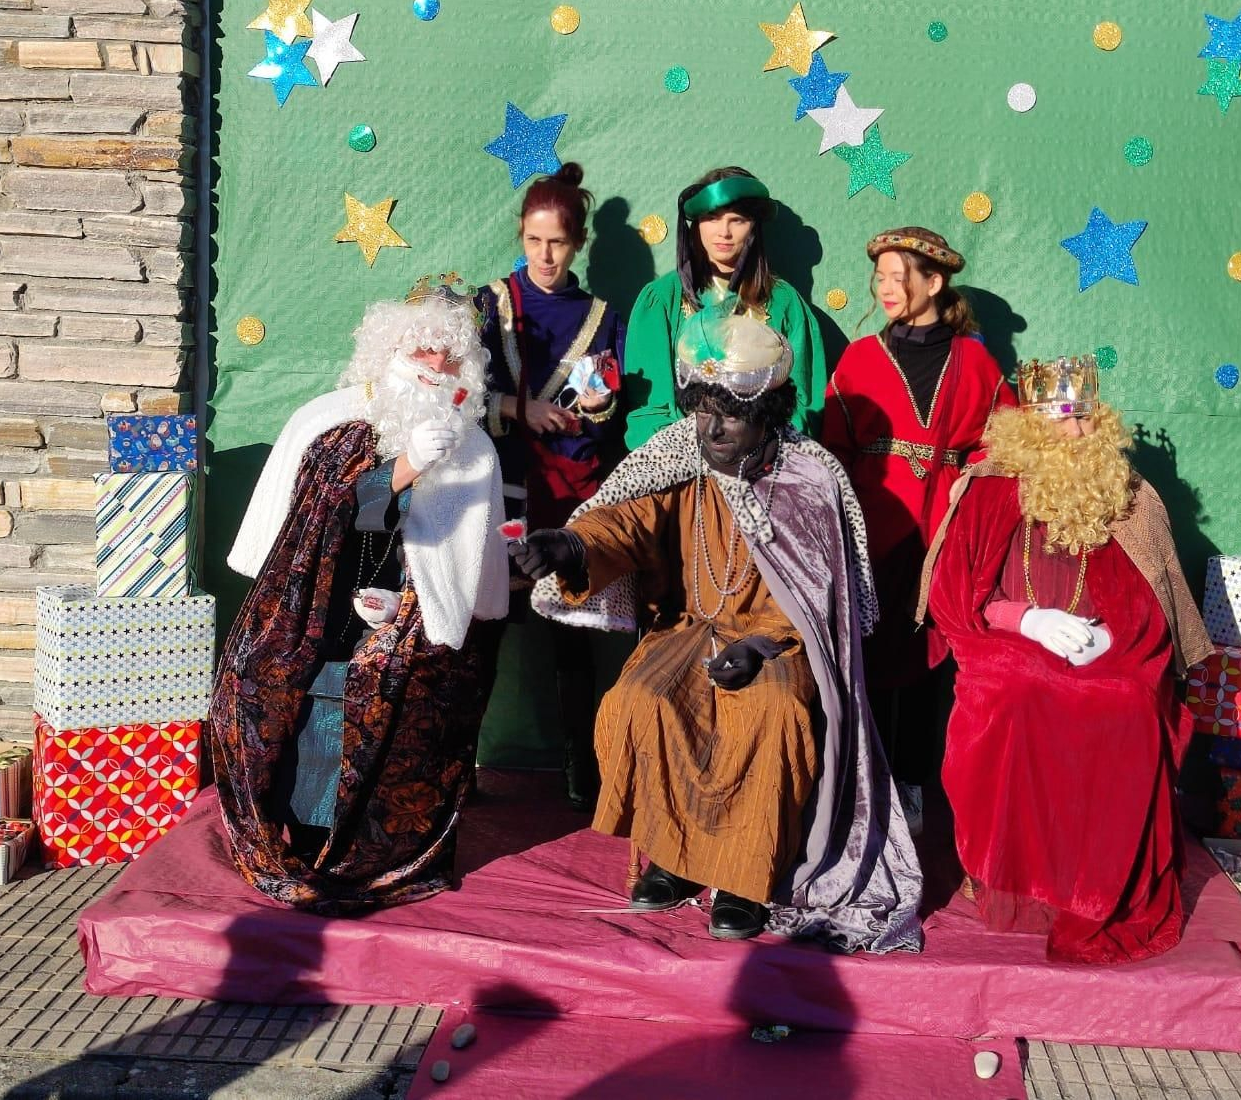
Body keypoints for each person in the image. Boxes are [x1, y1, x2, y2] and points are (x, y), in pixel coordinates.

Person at [517, 313, 922, 952]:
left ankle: (744, 878)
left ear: (770, 413)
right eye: (702, 412)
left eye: (730, 416)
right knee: (642, 699)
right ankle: (676, 859)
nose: (711, 430)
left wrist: (759, 646)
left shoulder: (811, 477)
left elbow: (823, 601)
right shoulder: (680, 459)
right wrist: (571, 545)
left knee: (770, 709)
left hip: (782, 642)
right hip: (689, 627)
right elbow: (628, 522)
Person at [212, 276, 510, 914]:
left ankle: (391, 850)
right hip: (324, 611)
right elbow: (327, 516)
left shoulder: (476, 446)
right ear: (388, 350)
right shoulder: (332, 422)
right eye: (420, 350)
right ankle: (315, 840)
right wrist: (403, 471)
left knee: (425, 679)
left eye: (448, 354)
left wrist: (438, 608)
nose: (434, 365)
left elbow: (471, 568)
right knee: (306, 692)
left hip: (412, 619)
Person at [919, 355, 1213, 964]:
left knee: (1129, 703)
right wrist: (1025, 619)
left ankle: (1092, 890)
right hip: (1006, 646)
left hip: (1105, 651)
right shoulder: (989, 487)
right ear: (1028, 425)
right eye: (1058, 419)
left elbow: (1151, 605)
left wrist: (1111, 636)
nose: (1073, 433)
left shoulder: (1131, 498)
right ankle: (1017, 885)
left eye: (1082, 417)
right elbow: (954, 595)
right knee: (1016, 695)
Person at [821, 227, 1014, 834]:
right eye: (879, 278)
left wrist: (971, 475)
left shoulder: (976, 361)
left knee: (934, 665)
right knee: (871, 660)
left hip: (944, 534)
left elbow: (1001, 440)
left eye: (898, 276)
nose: (886, 288)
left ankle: (914, 786)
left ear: (933, 283)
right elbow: (834, 447)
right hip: (874, 531)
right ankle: (864, 786)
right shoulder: (857, 358)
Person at [472, 163, 625, 809]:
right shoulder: (489, 305)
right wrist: (516, 408)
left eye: (557, 242)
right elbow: (451, 397)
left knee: (572, 639)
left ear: (578, 243)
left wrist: (588, 410)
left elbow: (606, 402)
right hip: (501, 497)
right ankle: (457, 768)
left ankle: (581, 780)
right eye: (533, 240)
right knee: (484, 629)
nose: (544, 255)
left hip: (569, 501)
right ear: (520, 235)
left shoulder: (601, 317)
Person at [621, 166, 825, 449]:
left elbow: (804, 404)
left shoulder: (784, 302)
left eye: (737, 220)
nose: (724, 232)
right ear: (696, 225)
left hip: (764, 462)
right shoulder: (661, 299)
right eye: (712, 218)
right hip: (680, 462)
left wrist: (760, 454)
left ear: (754, 226)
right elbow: (649, 408)